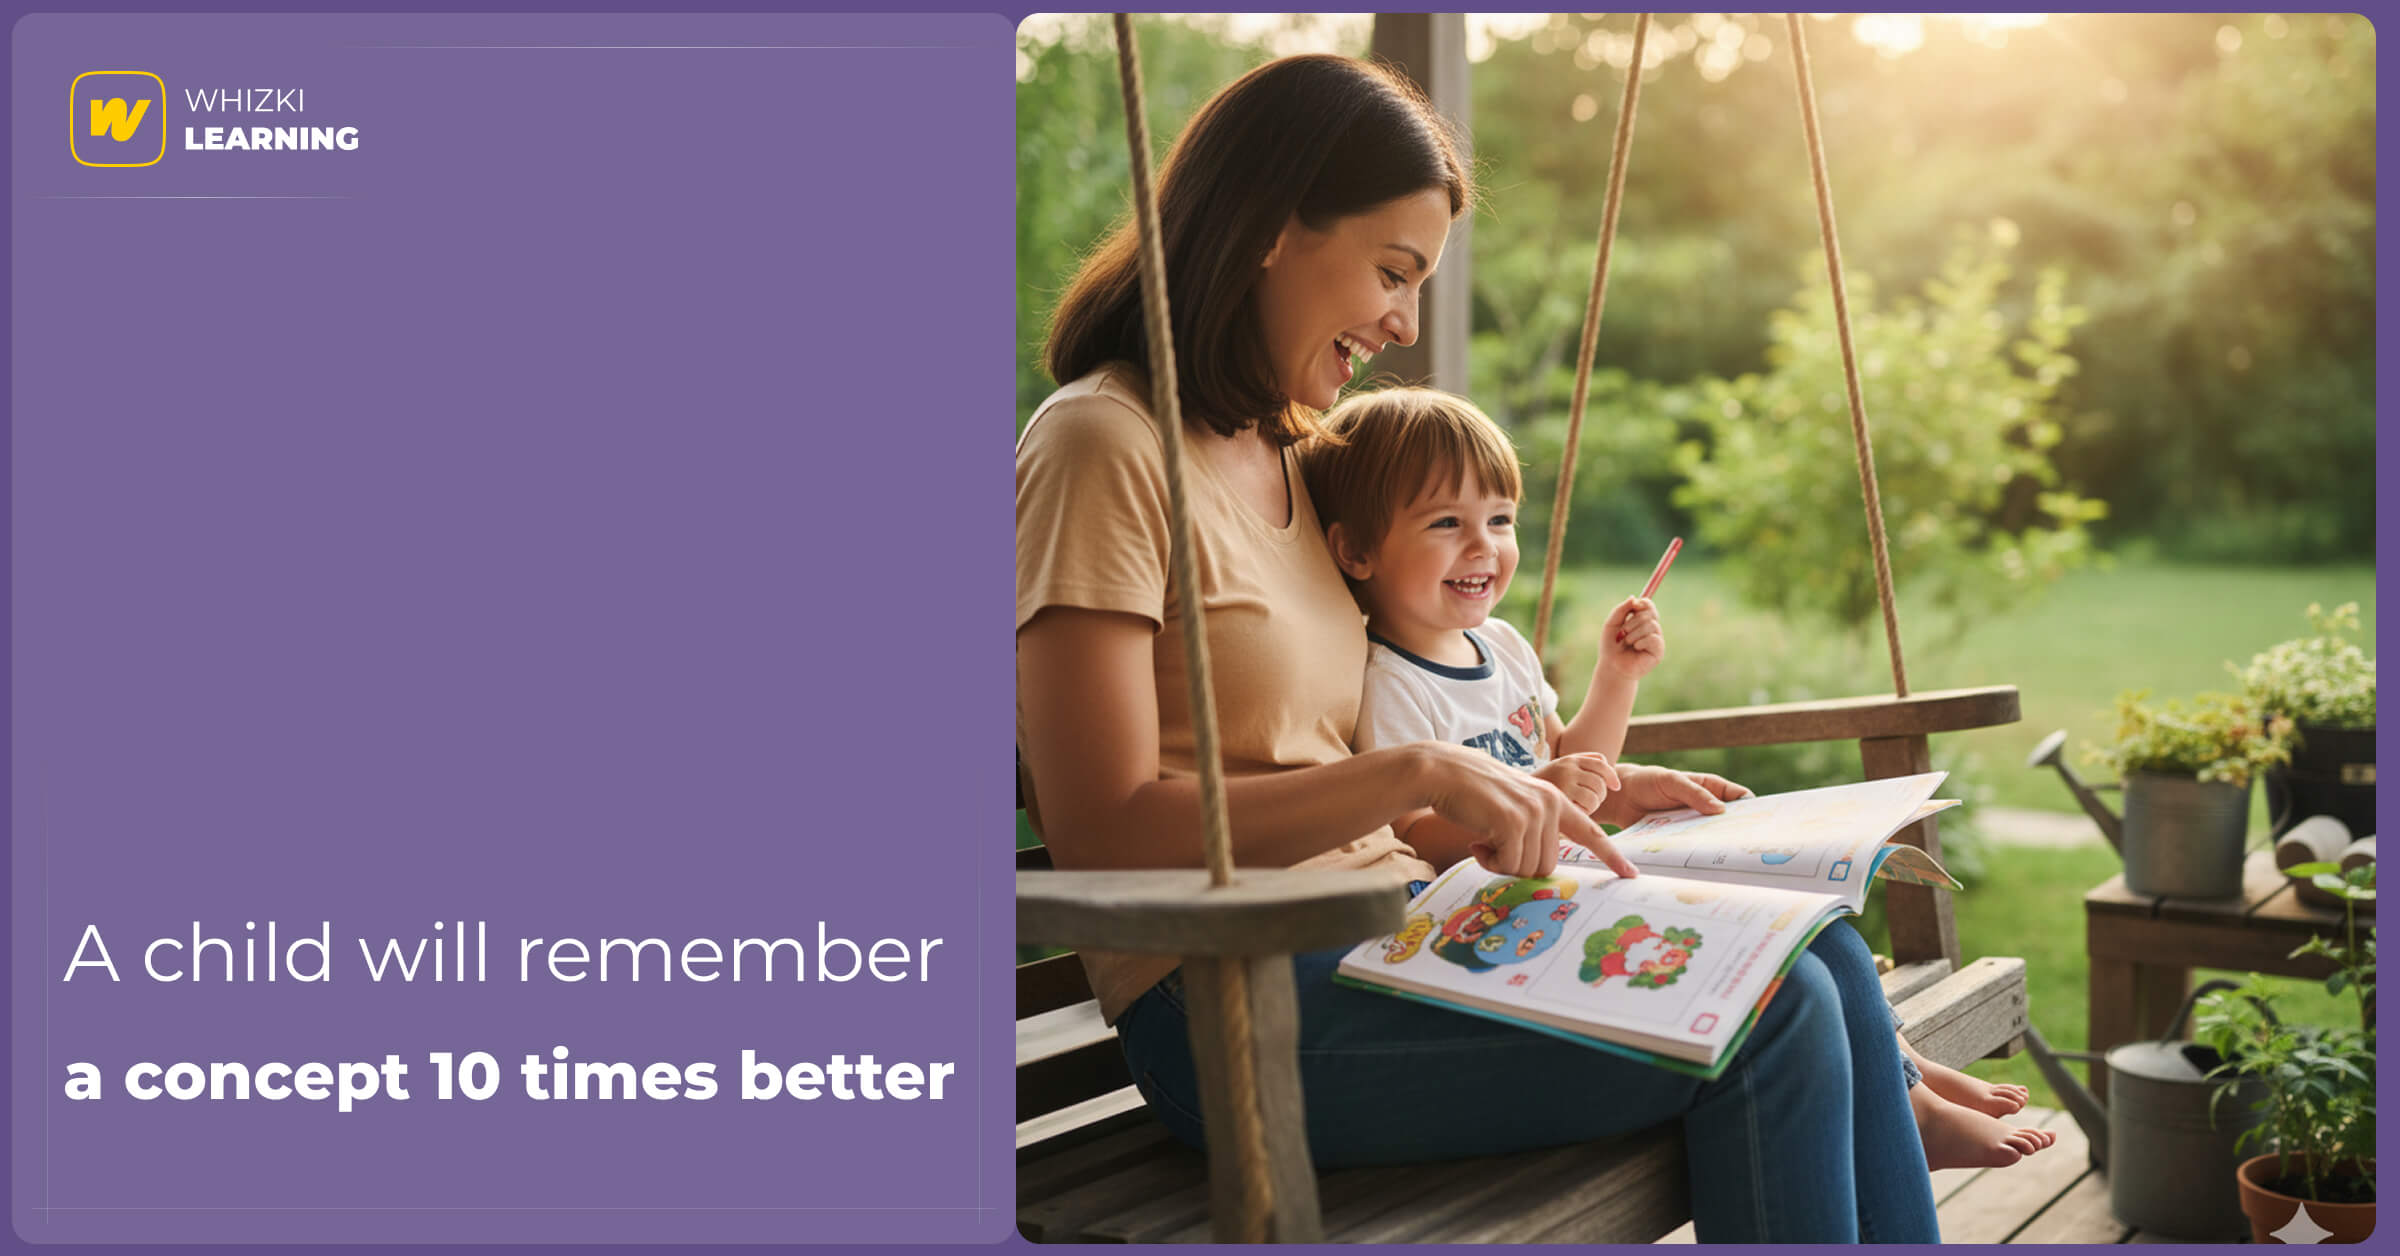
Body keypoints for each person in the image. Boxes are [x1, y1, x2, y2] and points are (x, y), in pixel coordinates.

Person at [1017, 52, 1922, 1241]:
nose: (1402, 322)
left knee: (1820, 958)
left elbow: (1413, 689)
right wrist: (1417, 774)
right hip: (1240, 1000)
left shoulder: (1296, 453)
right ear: (1273, 228)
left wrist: (1539, 779)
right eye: (1393, 272)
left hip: (1404, 923)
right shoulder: (1102, 443)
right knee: (1775, 1015)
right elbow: (1103, 827)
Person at [1302, 385, 2054, 1173]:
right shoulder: (1389, 682)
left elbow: (1577, 762)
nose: (1484, 546)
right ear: (1357, 552)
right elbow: (1424, 839)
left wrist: (1616, 680)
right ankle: (1910, 1099)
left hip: (1578, 880)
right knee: (1774, 948)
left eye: (1499, 519)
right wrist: (1540, 801)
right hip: (1516, 919)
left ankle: (1903, 1077)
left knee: (1815, 920)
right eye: (1445, 523)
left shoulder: (1504, 648)